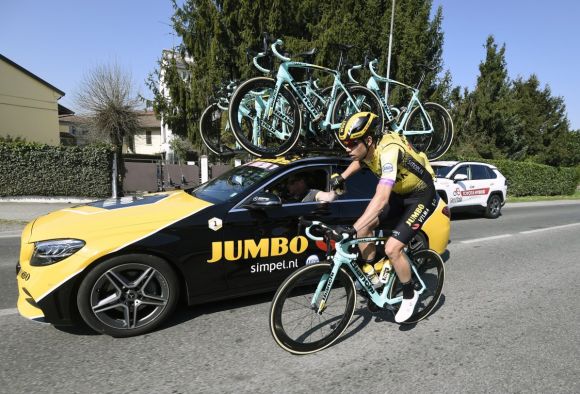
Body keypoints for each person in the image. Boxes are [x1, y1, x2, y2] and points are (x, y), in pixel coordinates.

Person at [332, 111, 437, 323]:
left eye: (352, 143)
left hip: (421, 195)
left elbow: (380, 198)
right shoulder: (367, 149)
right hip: (401, 194)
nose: (347, 148)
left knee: (392, 248)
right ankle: (373, 275)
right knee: (364, 230)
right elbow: (360, 161)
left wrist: (352, 228)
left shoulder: (389, 151)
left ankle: (409, 294)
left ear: (368, 140)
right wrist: (342, 178)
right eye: (345, 143)